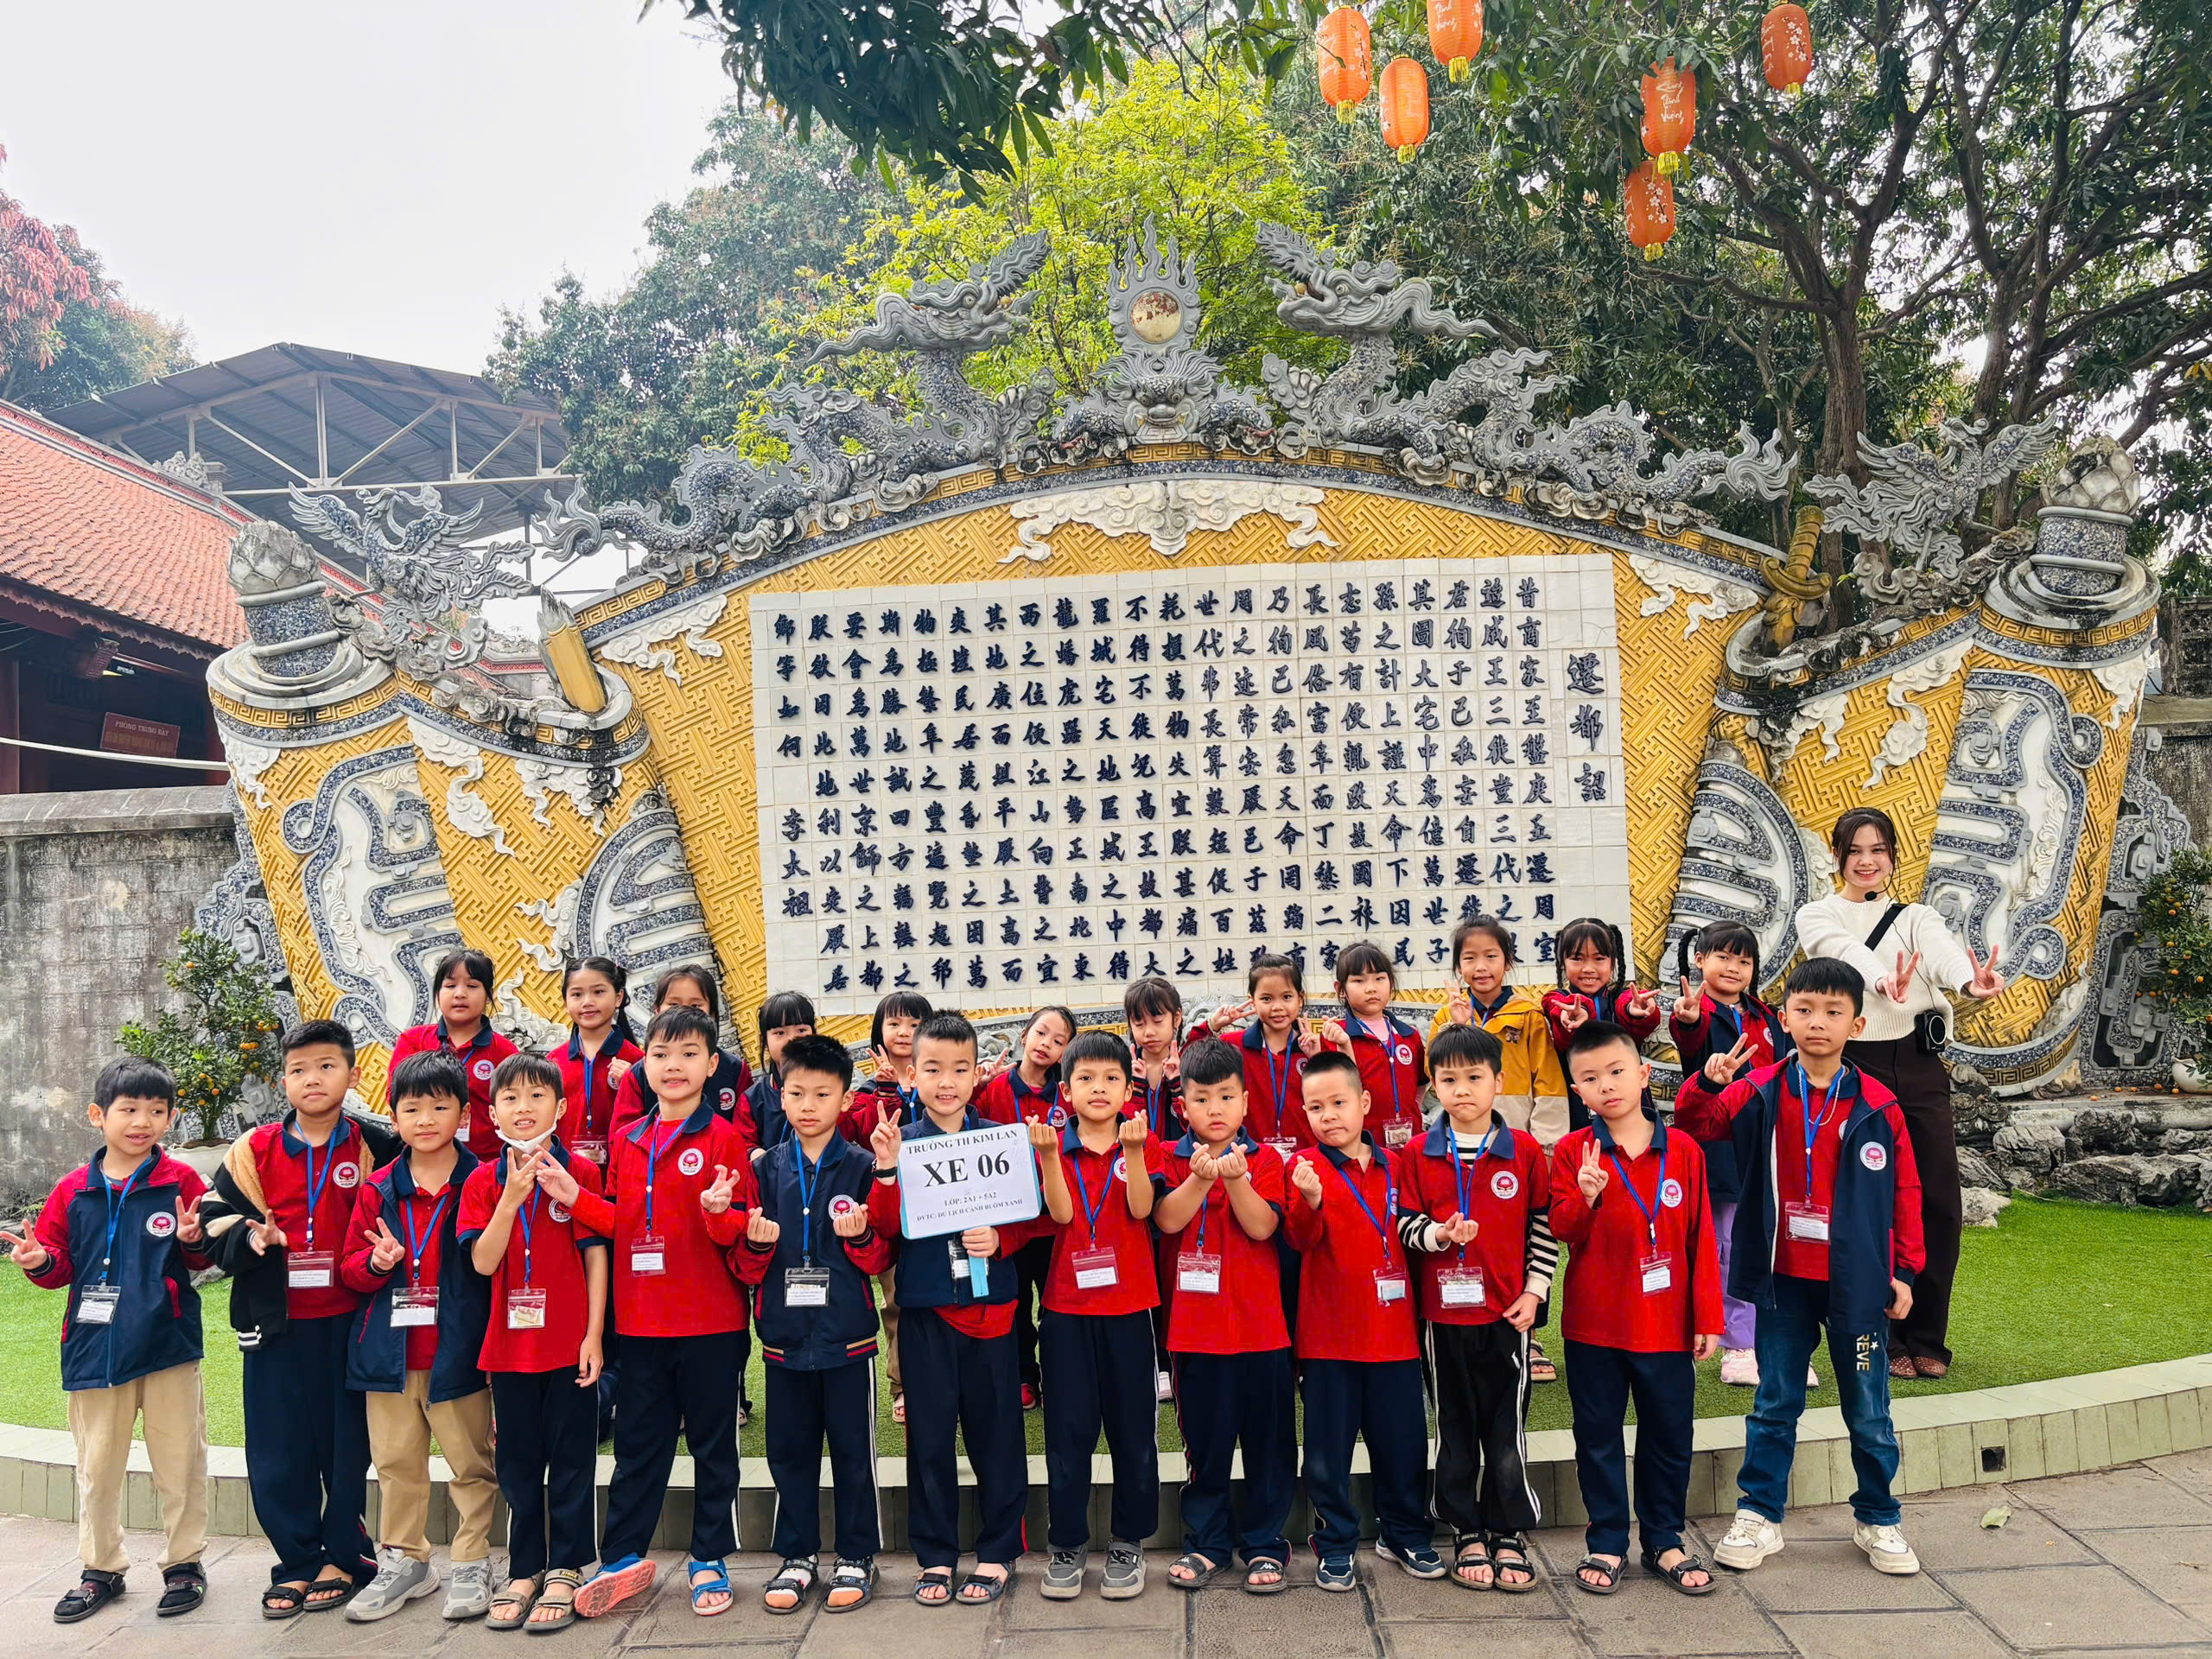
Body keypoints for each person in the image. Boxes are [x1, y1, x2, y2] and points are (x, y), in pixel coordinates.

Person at [1675, 958, 1929, 1578]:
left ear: (1856, 1025)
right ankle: (1759, 1516)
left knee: (1868, 1410)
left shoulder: (1878, 1104)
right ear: (1784, 1019)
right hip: (1782, 1280)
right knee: (1774, 1403)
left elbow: (1906, 1190)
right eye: (1805, 1010)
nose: (1818, 1022)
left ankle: (1879, 1517)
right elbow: (1695, 1124)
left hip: (1858, 1284)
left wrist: (1904, 1271)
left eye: (1833, 1012)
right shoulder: (1760, 1088)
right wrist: (1706, 1081)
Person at [1796, 806, 2005, 1379]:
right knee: (1869, 1199)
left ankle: (1927, 1336)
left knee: (1939, 1199)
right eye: (1855, 851)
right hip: (1856, 1064)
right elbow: (1843, 951)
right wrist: (1881, 978)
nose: (1867, 861)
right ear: (1838, 857)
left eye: (1878, 850)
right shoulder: (1817, 914)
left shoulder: (1917, 917)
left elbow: (1942, 954)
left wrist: (1969, 981)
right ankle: (1882, 1334)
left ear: (1892, 856)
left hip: (1918, 1064)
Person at [5, 1058, 212, 1625]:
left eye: (156, 1110)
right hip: (94, 1348)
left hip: (168, 1345)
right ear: (98, 1115)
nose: (142, 1121)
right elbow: (57, 1266)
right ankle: (101, 1569)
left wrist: (195, 1240)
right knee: (97, 1468)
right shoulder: (73, 1190)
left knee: (181, 1463)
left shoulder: (182, 1181)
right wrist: (38, 1259)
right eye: (129, 1109)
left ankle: (184, 1565)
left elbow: (202, 1257)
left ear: (170, 1117)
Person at [201, 1019, 397, 1618]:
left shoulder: (376, 1145)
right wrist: (250, 1238)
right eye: (298, 1070)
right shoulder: (253, 1149)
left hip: (351, 1324)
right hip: (274, 1327)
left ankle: (344, 1556)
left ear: (352, 1075)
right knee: (277, 1449)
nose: (313, 1079)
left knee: (346, 1447)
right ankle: (295, 1562)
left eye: (326, 1066)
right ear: (282, 1080)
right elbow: (212, 1219)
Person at [571, 1005, 754, 1620]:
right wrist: (574, 1196)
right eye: (660, 1054)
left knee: (712, 1446)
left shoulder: (725, 1139)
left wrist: (718, 1212)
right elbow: (621, 1221)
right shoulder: (628, 1140)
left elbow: (738, 1233)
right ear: (643, 1064)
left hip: (711, 1323)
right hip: (641, 1322)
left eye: (688, 1054)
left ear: (711, 1064)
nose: (673, 1066)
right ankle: (622, 1558)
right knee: (638, 1445)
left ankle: (709, 1557)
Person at [863, 1011, 1052, 1607]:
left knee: (997, 1435)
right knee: (929, 1439)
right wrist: (886, 1170)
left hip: (991, 1310)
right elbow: (885, 1230)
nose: (946, 1082)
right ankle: (936, 1555)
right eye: (933, 1069)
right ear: (911, 1075)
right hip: (926, 1311)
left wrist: (1001, 1239)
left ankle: (998, 1551)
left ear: (977, 1075)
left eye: (959, 1069)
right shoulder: (901, 1143)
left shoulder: (1002, 1139)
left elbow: (1035, 1219)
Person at [1552, 1021, 1723, 1599]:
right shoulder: (1573, 1152)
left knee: (1668, 1436)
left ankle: (1664, 1539)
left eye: (1617, 1071)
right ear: (1577, 1090)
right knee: (1597, 1436)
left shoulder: (1685, 1151)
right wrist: (1587, 1195)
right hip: (1594, 1326)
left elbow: (1701, 1238)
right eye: (1590, 1078)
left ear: (1644, 1074)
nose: (1606, 1085)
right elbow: (1562, 1229)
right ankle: (1606, 1541)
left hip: (1666, 1325)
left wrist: (1708, 1317)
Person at [732, 1034, 892, 1616]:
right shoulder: (764, 1168)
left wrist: (863, 1236)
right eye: (797, 1092)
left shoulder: (863, 1166)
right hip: (782, 1340)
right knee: (789, 1453)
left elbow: (882, 1258)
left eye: (823, 1094)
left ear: (846, 1100)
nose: (808, 1105)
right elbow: (745, 1266)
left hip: (848, 1337)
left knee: (853, 1453)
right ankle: (797, 1555)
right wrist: (755, 1244)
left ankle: (857, 1555)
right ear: (780, 1093)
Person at [339, 1053, 496, 1623]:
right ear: (394, 1117)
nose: (425, 1119)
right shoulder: (378, 1188)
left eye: (439, 1106)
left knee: (471, 1465)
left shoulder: (484, 1181)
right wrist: (376, 1263)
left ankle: (473, 1561)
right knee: (396, 1464)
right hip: (389, 1356)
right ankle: (406, 1561)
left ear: (464, 1114)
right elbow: (350, 1269)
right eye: (412, 1109)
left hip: (460, 1353)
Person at [1396, 1023, 1553, 1592]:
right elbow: (1404, 1226)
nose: (1461, 1090)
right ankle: (1465, 1529)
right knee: (1455, 1426)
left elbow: (1542, 1227)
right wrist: (1439, 1234)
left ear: (1498, 1082)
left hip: (1506, 1316)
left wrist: (1535, 1290)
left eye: (1473, 1078)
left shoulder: (1524, 1150)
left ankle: (1508, 1531)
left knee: (1506, 1429)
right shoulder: (1418, 1152)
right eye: (1448, 1079)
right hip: (1442, 1321)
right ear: (1433, 1086)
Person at [460, 1052, 608, 1632]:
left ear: (561, 1107)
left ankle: (567, 1566)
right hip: (509, 1349)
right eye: (511, 1098)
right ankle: (524, 1569)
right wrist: (510, 1200)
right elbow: (482, 1261)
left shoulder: (580, 1175)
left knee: (572, 1458)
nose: (524, 1108)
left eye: (537, 1096)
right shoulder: (482, 1180)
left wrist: (593, 1335)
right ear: (492, 1112)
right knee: (518, 1463)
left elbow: (596, 1260)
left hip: (570, 1345)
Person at [1284, 1051, 1443, 1590]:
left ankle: (1404, 1533)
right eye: (1316, 1107)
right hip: (1328, 1338)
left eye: (1339, 1102)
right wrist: (1309, 1200)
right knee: (1327, 1453)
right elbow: (1298, 1240)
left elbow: (1418, 1236)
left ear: (1365, 1101)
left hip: (1394, 1334)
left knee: (1403, 1443)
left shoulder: (1400, 1165)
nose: (1328, 1115)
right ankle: (1335, 1543)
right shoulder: (1303, 1167)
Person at [1154, 1036, 1294, 1597]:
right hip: (1195, 1333)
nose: (1215, 1109)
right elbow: (1167, 1220)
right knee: (1206, 1448)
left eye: (1227, 1097)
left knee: (1269, 1444)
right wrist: (1201, 1177)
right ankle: (1207, 1543)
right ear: (1182, 1104)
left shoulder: (1267, 1160)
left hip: (1262, 1332)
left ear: (1245, 1101)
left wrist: (1235, 1178)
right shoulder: (1169, 1156)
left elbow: (1263, 1227)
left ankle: (1265, 1543)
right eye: (1202, 1098)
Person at [1030, 1031, 1163, 1602]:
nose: (1099, 1088)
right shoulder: (1054, 1146)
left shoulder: (1145, 1142)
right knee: (1068, 1432)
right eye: (1085, 1079)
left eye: (1111, 1079)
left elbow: (1142, 1208)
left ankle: (1129, 1541)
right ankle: (1067, 1543)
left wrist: (1132, 1152)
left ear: (1129, 1089)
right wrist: (1046, 1156)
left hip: (1130, 1309)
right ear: (1066, 1091)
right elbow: (1062, 1215)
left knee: (1133, 1430)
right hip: (1066, 1311)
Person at [1433, 916, 1572, 1382]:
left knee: (1527, 1235)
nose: (1481, 966)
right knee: (1474, 1233)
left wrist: (1546, 1146)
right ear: (1458, 966)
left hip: (1517, 1149)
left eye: (1491, 956)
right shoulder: (1445, 1017)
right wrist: (1459, 1026)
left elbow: (1548, 1083)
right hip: (1464, 1149)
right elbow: (1435, 1078)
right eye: (1469, 958)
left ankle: (1532, 1333)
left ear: (1507, 962)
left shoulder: (1528, 1017)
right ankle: (1472, 1318)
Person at [1672, 922, 1800, 1389]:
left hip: (1769, 1145)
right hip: (1719, 1145)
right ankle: (1738, 1345)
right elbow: (1689, 1036)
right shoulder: (1697, 1011)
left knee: (1774, 1244)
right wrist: (1688, 1020)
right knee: (1727, 1247)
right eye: (1723, 957)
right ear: (1700, 960)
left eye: (1744, 961)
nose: (1733, 968)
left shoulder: (1766, 1016)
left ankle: (1777, 1344)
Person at [978, 1004, 1076, 1409]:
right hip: (1009, 1224)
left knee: (1056, 1305)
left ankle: (1057, 1376)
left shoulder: (1068, 1094)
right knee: (1015, 1304)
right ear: (1023, 1036)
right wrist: (975, 1086)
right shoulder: (994, 1090)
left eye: (1059, 1040)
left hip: (1055, 1222)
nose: (1046, 1044)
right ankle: (1023, 1376)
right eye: (1041, 1033)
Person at [844, 988, 932, 1426]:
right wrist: (886, 1091)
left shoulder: (937, 1082)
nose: (904, 1032)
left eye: (915, 1025)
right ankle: (903, 1386)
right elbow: (859, 1135)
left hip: (937, 1208)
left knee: (935, 1298)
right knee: (896, 1299)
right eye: (894, 1023)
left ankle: (939, 1381)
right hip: (888, 1207)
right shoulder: (866, 1091)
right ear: (878, 1031)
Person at [388, 949, 517, 1156]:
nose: (460, 994)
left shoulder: (504, 1051)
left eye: (472, 986)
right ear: (438, 993)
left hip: (486, 1162)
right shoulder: (413, 1041)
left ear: (488, 995)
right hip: (423, 1158)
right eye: (450, 986)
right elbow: (395, 1097)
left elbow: (514, 1108)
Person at [1541, 918, 1662, 1132]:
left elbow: (1630, 1006)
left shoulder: (1621, 1000)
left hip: (1631, 1104)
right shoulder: (1559, 1001)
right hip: (1578, 1107)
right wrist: (1573, 1015)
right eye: (1577, 959)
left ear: (1613, 962)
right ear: (1562, 962)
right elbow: (1559, 1009)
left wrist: (1637, 1011)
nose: (1588, 968)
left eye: (1599, 959)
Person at [1322, 940, 1429, 1153]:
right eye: (1359, 981)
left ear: (1391, 982)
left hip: (1411, 1144)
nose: (1371, 988)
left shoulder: (1409, 1035)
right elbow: (1340, 1091)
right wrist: (1344, 1045)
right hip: (1362, 1147)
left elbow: (1420, 1085)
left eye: (1379, 978)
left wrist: (1407, 1113)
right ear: (1341, 989)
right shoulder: (1335, 1036)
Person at [554, 957, 639, 1168]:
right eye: (577, 994)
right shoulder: (552, 1063)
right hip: (563, 1172)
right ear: (565, 1001)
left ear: (618, 997)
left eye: (598, 992)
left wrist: (633, 1084)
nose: (587, 1002)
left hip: (622, 1171)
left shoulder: (638, 1061)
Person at [745, 989, 819, 1155]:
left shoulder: (833, 1085)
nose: (792, 1039)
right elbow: (742, 1141)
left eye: (801, 1030)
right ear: (765, 1041)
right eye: (780, 1033)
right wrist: (754, 1153)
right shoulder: (752, 1100)